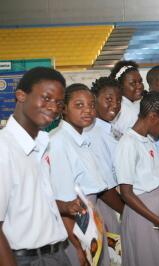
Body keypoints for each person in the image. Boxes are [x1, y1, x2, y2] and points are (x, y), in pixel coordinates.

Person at [0, 67, 80, 266]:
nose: (53, 107)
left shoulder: (40, 144)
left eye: (59, 103)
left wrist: (63, 206)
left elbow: (26, 202)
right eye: (46, 98)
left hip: (56, 254)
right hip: (26, 259)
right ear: (21, 96)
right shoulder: (4, 148)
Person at [49, 84, 112, 266]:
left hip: (90, 218)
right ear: (64, 109)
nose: (88, 110)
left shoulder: (82, 139)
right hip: (74, 225)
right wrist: (77, 246)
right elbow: (64, 202)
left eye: (91, 105)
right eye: (79, 105)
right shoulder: (59, 142)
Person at [114, 91, 159, 266]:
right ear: (152, 117)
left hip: (155, 216)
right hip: (142, 218)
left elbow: (153, 185)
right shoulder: (128, 143)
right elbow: (126, 193)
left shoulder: (147, 141)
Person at [84, 77, 125, 235]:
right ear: (94, 99)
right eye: (108, 99)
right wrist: (126, 211)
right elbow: (105, 187)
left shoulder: (109, 128)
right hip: (107, 204)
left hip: (118, 199)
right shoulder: (92, 133)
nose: (115, 104)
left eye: (119, 100)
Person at [109, 60, 144, 134]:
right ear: (120, 86)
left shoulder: (136, 103)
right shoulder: (122, 108)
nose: (139, 86)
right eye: (133, 83)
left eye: (140, 81)